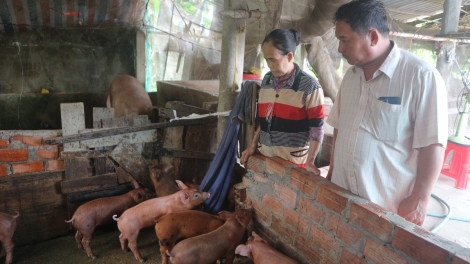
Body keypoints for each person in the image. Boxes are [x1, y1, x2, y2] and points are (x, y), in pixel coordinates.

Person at [326, 0, 448, 226]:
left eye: (345, 40)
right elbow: (340, 127)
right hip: (343, 199)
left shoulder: (420, 77)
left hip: (387, 207)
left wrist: (420, 199)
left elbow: (433, 144)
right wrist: (332, 173)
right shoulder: (350, 77)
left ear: (372, 37)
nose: (340, 49)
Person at [240, 28, 325, 175]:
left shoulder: (310, 86)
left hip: (292, 166)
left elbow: (316, 129)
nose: (269, 64)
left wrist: (310, 162)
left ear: (289, 56)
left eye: (273, 59)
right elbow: (265, 120)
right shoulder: (266, 80)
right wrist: (253, 146)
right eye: (266, 59)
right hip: (265, 159)